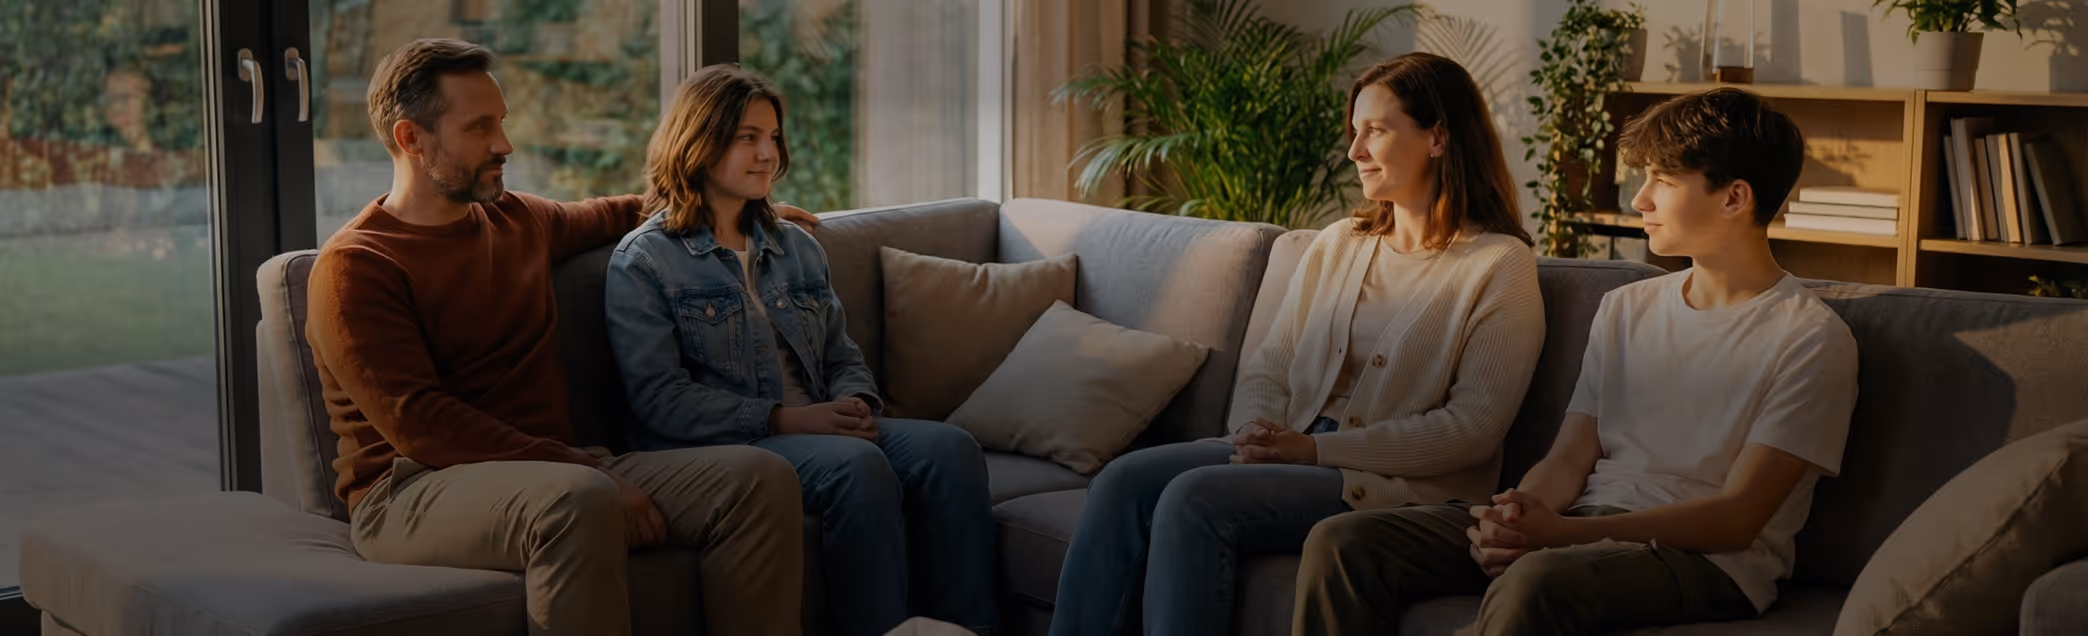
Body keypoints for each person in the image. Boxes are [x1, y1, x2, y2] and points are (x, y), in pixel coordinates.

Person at [1294, 87, 1861, 636]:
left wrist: (1559, 537)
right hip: (1584, 527)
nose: (1640, 200)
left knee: (1537, 580)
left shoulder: (1809, 338)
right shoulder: (1626, 306)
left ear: (1734, 198)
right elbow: (1570, 456)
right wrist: (1518, 514)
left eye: (1662, 181)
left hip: (1710, 561)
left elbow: (1738, 517)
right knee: (1344, 542)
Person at [306, 38, 822, 636]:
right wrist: (588, 472)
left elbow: (628, 210)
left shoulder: (517, 219)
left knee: (759, 481)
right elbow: (424, 426)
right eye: (480, 128)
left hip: (562, 469)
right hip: (412, 490)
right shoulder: (357, 265)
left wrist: (738, 207)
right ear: (410, 138)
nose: (506, 145)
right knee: (575, 502)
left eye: (502, 123)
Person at [1047, 52, 1546, 636]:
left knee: (1194, 500)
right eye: (1354, 131)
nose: (1354, 151)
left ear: (1437, 137)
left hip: (1392, 485)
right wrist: (1256, 434)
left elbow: (1471, 429)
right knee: (1121, 481)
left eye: (1375, 131)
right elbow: (1271, 366)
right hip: (1295, 450)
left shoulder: (1499, 265)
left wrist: (1313, 453)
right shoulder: (1340, 242)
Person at [603, 64, 997, 636]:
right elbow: (660, 400)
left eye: (774, 138)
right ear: (698, 142)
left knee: (952, 450)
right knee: (856, 467)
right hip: (727, 444)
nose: (768, 154)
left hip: (819, 424)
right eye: (748, 137)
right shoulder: (643, 261)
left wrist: (855, 401)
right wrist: (788, 419)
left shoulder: (796, 248)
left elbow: (842, 353)